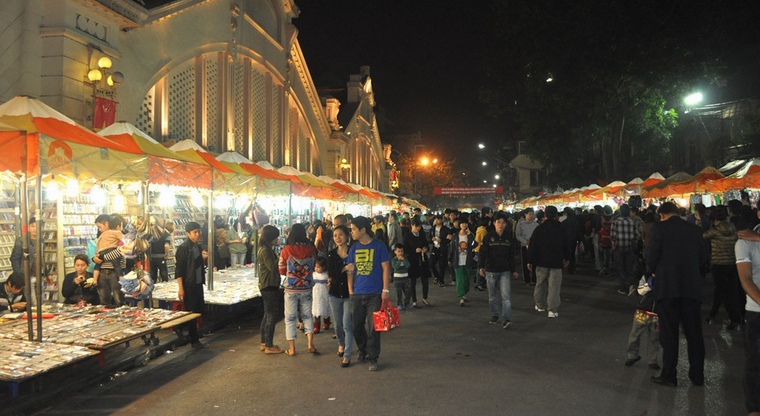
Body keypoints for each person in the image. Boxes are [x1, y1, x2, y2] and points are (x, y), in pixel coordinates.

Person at [646, 202, 707, 387]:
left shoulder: (659, 228)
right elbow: (704, 259)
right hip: (691, 289)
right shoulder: (694, 230)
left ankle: (669, 375)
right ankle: (697, 375)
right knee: (694, 334)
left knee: (669, 335)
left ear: (662, 214)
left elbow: (651, 256)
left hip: (667, 288)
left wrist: (653, 271)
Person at [346, 216, 391, 371]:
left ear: (363, 230)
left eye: (353, 229)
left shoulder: (379, 246)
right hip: (357, 293)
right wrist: (351, 290)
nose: (351, 232)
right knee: (356, 325)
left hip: (375, 294)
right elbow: (350, 271)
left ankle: (373, 357)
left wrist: (385, 290)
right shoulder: (353, 248)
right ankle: (362, 350)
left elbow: (386, 268)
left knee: (374, 328)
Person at [278, 223, 317, 356]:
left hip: (291, 288)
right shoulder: (311, 249)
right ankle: (310, 344)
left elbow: (282, 269)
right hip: (306, 287)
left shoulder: (286, 250)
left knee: (290, 318)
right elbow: (313, 267)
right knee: (307, 316)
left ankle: (292, 349)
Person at [702, 206, 742, 329]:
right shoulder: (733, 228)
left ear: (714, 219)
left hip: (719, 264)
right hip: (732, 263)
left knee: (723, 293)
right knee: (725, 291)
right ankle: (713, 315)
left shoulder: (714, 231)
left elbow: (702, 236)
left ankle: (735, 320)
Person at [528, 206, 570, 319]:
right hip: (556, 260)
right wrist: (567, 258)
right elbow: (566, 244)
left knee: (540, 283)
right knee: (554, 286)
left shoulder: (539, 229)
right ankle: (552, 309)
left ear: (545, 215)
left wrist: (530, 260)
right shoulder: (561, 228)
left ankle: (540, 305)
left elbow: (533, 245)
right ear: (556, 215)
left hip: (541, 261)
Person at [735, 224, 760, 415]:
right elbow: (746, 280)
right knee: (755, 364)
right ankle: (754, 409)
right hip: (756, 312)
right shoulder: (744, 242)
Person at [478, 211, 518, 328]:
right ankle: (495, 314)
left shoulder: (509, 238)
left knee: (506, 296)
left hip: (505, 270)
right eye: (498, 222)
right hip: (491, 270)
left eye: (503, 222)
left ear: (506, 224)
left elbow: (511, 256)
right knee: (492, 295)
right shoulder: (488, 237)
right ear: (494, 223)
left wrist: (514, 270)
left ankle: (506, 319)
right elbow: (482, 253)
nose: (501, 224)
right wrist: (481, 266)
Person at [175, 221, 209, 349]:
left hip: (198, 283)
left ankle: (184, 330)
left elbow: (197, 266)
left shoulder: (197, 247)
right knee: (191, 312)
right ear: (188, 233)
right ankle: (193, 339)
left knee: (198, 310)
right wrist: (181, 288)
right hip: (189, 285)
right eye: (194, 232)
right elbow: (180, 270)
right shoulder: (183, 248)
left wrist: (203, 258)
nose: (197, 235)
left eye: (198, 232)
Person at [327, 224, 353, 367]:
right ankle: (341, 344)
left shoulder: (353, 252)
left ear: (347, 236)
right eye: (335, 235)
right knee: (337, 325)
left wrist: (342, 270)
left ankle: (347, 355)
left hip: (349, 294)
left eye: (341, 234)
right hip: (335, 293)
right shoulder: (331, 254)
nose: (338, 238)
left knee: (347, 325)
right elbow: (332, 274)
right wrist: (344, 268)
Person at [257, 225, 285, 354]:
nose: (277, 239)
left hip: (267, 285)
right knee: (271, 315)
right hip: (269, 285)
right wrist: (280, 257)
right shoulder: (265, 250)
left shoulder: (265, 249)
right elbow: (272, 267)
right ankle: (268, 345)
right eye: (276, 237)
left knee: (267, 315)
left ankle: (264, 342)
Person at [625, 277, 660, 369]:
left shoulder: (666, 277)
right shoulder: (646, 277)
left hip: (656, 313)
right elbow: (640, 291)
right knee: (635, 336)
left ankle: (652, 360)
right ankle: (632, 356)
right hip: (643, 311)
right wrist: (651, 283)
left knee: (654, 338)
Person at [91, 215, 125, 307]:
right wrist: (95, 257)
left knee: (118, 297)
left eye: (99, 227)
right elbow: (97, 252)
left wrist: (103, 257)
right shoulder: (102, 236)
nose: (99, 230)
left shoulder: (118, 237)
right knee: (103, 298)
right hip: (102, 272)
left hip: (114, 272)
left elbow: (123, 250)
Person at [612, 204, 640, 295]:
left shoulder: (616, 221)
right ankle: (630, 285)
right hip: (629, 247)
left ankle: (623, 287)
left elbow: (612, 236)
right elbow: (637, 235)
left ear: (620, 212)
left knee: (621, 267)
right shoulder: (632, 221)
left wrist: (614, 245)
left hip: (619, 247)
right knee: (629, 267)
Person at [449, 216, 477, 306]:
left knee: (466, 279)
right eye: (462, 223)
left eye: (465, 223)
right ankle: (461, 297)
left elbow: (474, 245)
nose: (464, 225)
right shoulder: (455, 236)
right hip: (458, 260)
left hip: (467, 260)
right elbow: (452, 248)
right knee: (460, 279)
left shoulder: (470, 235)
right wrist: (449, 259)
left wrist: (470, 235)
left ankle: (465, 292)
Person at [404, 217, 432, 307]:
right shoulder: (407, 236)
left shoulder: (422, 235)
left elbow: (426, 244)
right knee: (413, 282)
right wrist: (414, 251)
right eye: (416, 226)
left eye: (419, 226)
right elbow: (405, 249)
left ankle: (425, 298)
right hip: (413, 261)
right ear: (412, 226)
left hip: (423, 260)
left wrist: (425, 248)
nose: (418, 228)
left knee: (425, 281)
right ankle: (414, 300)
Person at [515, 208, 539, 285]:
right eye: (529, 214)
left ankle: (534, 279)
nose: (531, 216)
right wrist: (526, 242)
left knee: (535, 262)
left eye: (532, 214)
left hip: (534, 246)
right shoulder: (520, 224)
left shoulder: (536, 224)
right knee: (525, 263)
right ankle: (527, 279)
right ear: (525, 214)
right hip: (524, 246)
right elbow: (518, 235)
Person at [429, 215, 452, 287]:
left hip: (442, 249)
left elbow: (449, 240)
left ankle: (441, 281)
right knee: (431, 263)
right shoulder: (432, 229)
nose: (436, 221)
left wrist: (441, 241)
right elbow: (429, 238)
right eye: (435, 219)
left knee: (442, 266)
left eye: (438, 219)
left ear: (441, 220)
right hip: (434, 248)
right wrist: (431, 239)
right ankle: (437, 276)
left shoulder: (446, 229)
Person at [148, 217, 171, 282]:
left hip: (152, 257)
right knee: (164, 276)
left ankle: (154, 290)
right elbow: (166, 245)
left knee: (153, 277)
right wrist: (167, 255)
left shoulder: (151, 233)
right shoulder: (166, 234)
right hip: (161, 257)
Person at [311, 257, 331, 333]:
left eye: (318, 267)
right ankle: (316, 326)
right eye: (315, 267)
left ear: (324, 267)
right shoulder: (313, 275)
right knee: (317, 311)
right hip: (316, 296)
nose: (316, 268)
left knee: (326, 308)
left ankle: (327, 322)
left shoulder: (326, 275)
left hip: (324, 295)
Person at [391, 243, 412, 310]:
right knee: (398, 293)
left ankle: (407, 303)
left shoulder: (405, 258)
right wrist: (399, 260)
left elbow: (408, 265)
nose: (400, 253)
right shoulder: (394, 260)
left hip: (405, 279)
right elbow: (396, 267)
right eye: (398, 251)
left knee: (408, 292)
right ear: (395, 252)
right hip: (397, 280)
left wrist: (404, 260)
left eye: (402, 251)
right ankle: (399, 304)